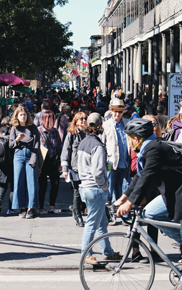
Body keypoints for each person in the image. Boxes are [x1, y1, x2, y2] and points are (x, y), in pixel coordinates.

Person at [114, 118, 182, 290]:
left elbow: (147, 177)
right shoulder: (149, 148)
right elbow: (139, 177)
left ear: (136, 138)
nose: (129, 142)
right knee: (148, 214)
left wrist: (130, 203)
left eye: (129, 138)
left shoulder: (154, 149)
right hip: (175, 192)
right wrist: (123, 197)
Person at [77, 113, 121, 264]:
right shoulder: (97, 146)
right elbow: (97, 172)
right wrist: (104, 185)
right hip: (95, 188)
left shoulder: (83, 143)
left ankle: (107, 251)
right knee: (92, 223)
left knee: (101, 222)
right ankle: (86, 253)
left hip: (85, 186)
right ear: (100, 126)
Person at [101, 99, 130, 224]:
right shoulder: (106, 125)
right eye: (115, 111)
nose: (117, 114)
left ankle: (124, 215)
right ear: (111, 111)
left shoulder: (127, 123)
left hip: (125, 162)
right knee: (109, 188)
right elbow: (102, 144)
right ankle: (107, 214)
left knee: (124, 189)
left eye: (120, 112)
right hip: (110, 163)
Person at [9, 106, 40, 219]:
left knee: (31, 183)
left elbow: (37, 144)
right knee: (19, 182)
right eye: (21, 114)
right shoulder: (14, 128)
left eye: (25, 114)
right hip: (18, 156)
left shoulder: (32, 127)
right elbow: (10, 145)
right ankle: (22, 207)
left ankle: (30, 208)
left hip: (30, 155)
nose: (23, 116)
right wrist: (17, 139)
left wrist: (33, 158)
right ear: (17, 116)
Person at [61, 112, 88, 227]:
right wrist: (65, 168)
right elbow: (66, 150)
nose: (83, 121)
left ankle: (78, 211)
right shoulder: (72, 134)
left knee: (85, 193)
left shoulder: (89, 134)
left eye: (85, 118)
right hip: (75, 168)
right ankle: (78, 216)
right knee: (77, 192)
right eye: (80, 119)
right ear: (76, 121)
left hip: (87, 168)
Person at [37, 110, 63, 214]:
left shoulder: (55, 131)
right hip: (42, 161)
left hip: (53, 160)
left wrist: (60, 162)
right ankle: (41, 208)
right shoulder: (38, 131)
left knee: (55, 183)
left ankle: (52, 207)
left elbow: (59, 146)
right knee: (42, 185)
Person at [0, 117, 15, 214]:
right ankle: (10, 208)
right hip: (11, 164)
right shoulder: (12, 134)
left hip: (1, 164)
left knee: (2, 185)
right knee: (13, 187)